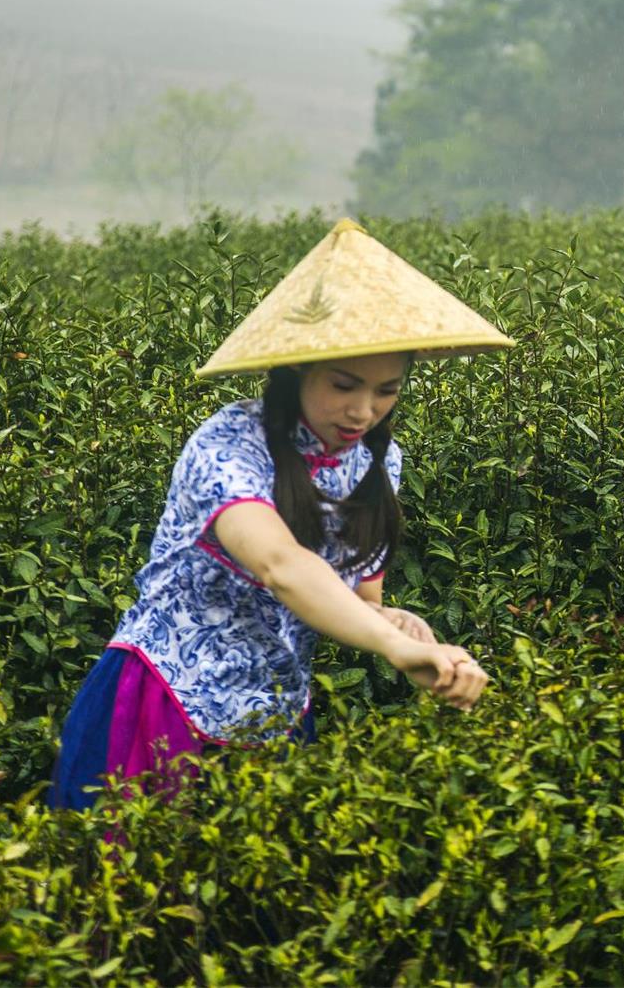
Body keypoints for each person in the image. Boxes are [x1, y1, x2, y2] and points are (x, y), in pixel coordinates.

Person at [48, 219, 503, 810]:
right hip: (164, 704)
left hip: (275, 716)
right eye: (344, 384)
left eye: (387, 390)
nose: (364, 410)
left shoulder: (377, 462)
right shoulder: (229, 444)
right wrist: (394, 650)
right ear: (296, 370)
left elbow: (359, 601)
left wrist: (401, 627)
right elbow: (281, 565)